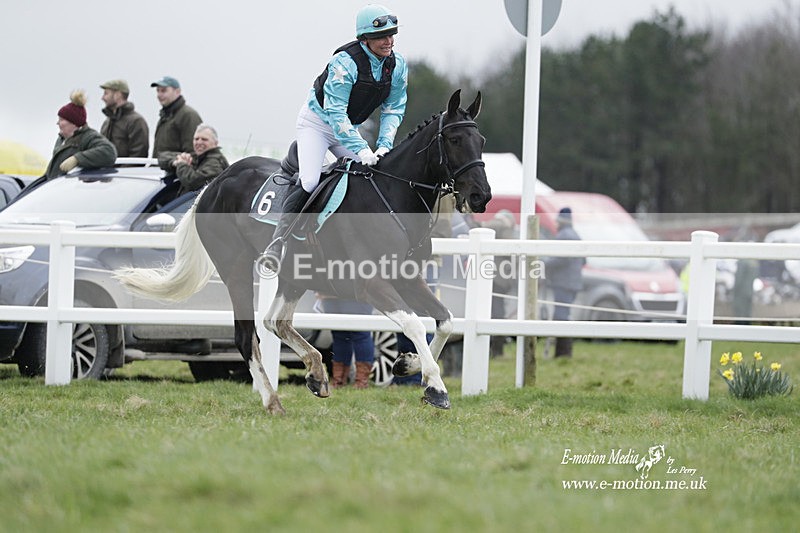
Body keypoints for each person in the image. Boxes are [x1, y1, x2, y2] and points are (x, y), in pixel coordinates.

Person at [262, 3, 408, 270]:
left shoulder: (397, 66)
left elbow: (393, 108)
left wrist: (385, 145)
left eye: (391, 34)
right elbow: (335, 114)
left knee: (370, 178)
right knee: (309, 181)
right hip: (317, 124)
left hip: (348, 128)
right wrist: (364, 150)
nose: (389, 41)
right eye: (381, 36)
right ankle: (277, 242)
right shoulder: (344, 63)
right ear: (364, 39)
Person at [43, 90, 117, 180]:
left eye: (61, 120)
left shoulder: (88, 137)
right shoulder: (61, 140)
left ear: (74, 123)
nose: (58, 123)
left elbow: (109, 152)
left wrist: (77, 159)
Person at [542, 207, 585, 358]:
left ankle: (563, 353)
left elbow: (560, 258)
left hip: (563, 283)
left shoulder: (564, 235)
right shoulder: (575, 235)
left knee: (561, 316)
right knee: (564, 314)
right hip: (573, 282)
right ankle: (563, 352)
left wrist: (543, 262)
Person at [317, 295, 375, 388]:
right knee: (339, 334)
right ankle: (339, 380)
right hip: (330, 292)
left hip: (355, 291)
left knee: (361, 332)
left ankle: (362, 381)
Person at [150, 76, 203, 171]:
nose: (159, 94)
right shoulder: (164, 116)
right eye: (158, 91)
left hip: (176, 175)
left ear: (177, 91)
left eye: (164, 90)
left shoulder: (188, 115)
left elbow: (194, 153)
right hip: (159, 173)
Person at [167, 124, 229, 195]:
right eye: (196, 139)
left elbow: (193, 183)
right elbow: (164, 156)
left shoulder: (215, 162)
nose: (199, 142)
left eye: (204, 139)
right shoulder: (200, 158)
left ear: (215, 143)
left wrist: (181, 164)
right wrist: (175, 162)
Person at [99, 79, 149, 157]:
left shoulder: (136, 121)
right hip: (106, 169)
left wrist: (121, 169)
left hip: (127, 169)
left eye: (106, 93)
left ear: (118, 95)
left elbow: (138, 155)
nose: (102, 98)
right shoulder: (107, 122)